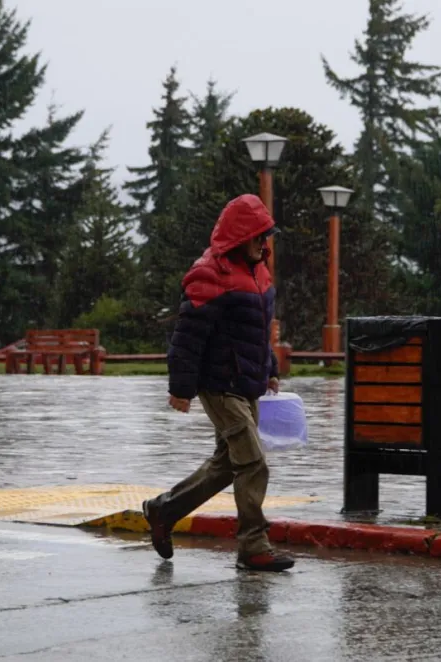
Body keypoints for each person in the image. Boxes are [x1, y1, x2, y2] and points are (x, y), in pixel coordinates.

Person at [142, 194, 295, 573]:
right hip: (219, 384)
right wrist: (181, 388)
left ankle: (164, 510)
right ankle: (253, 547)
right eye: (259, 236)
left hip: (248, 382)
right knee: (254, 463)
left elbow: (259, 332)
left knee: (229, 465)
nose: (265, 243)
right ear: (240, 236)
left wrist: (270, 368)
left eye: (267, 236)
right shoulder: (209, 273)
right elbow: (187, 336)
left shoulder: (259, 271)